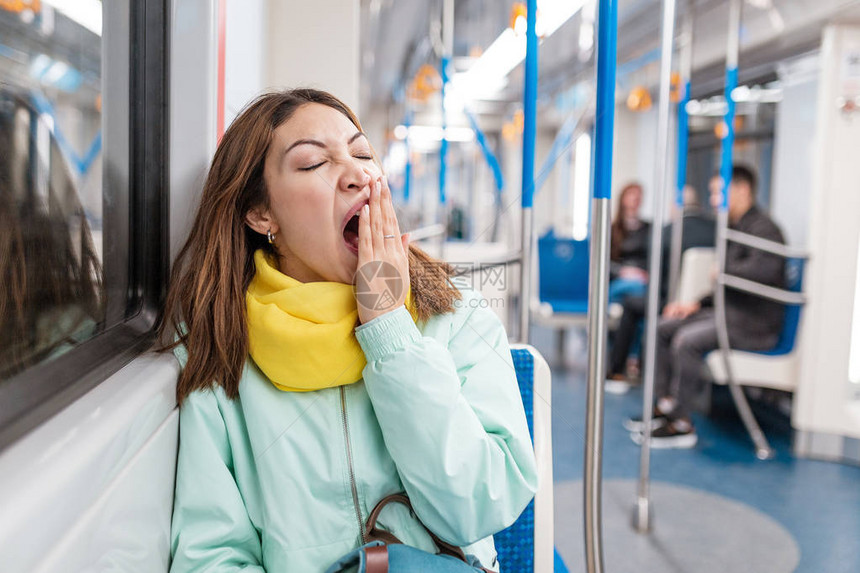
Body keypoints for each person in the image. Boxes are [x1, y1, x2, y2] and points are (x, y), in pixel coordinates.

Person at [159, 89, 538, 572]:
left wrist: (389, 329)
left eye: (363, 154)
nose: (359, 173)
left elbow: (480, 507)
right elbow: (211, 557)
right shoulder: (217, 346)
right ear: (261, 214)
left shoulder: (455, 312)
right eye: (315, 163)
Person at [626, 165, 785, 448]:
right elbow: (725, 285)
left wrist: (724, 270)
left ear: (742, 190)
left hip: (753, 324)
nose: (713, 200)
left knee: (687, 341)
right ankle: (666, 405)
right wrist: (695, 304)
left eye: (718, 192)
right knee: (662, 328)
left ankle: (682, 423)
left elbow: (763, 274)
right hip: (729, 313)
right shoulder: (735, 228)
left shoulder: (764, 230)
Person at [606, 184, 716, 387]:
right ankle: (635, 362)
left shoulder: (665, 233)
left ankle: (617, 369)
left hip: (670, 301)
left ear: (676, 206)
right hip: (705, 303)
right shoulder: (717, 231)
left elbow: (655, 272)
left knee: (633, 306)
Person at [608, 182, 651, 303]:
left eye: (639, 195)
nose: (636, 198)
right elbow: (605, 262)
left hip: (644, 279)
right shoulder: (612, 229)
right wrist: (623, 272)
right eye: (631, 194)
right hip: (620, 279)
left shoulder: (649, 229)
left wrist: (645, 274)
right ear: (623, 199)